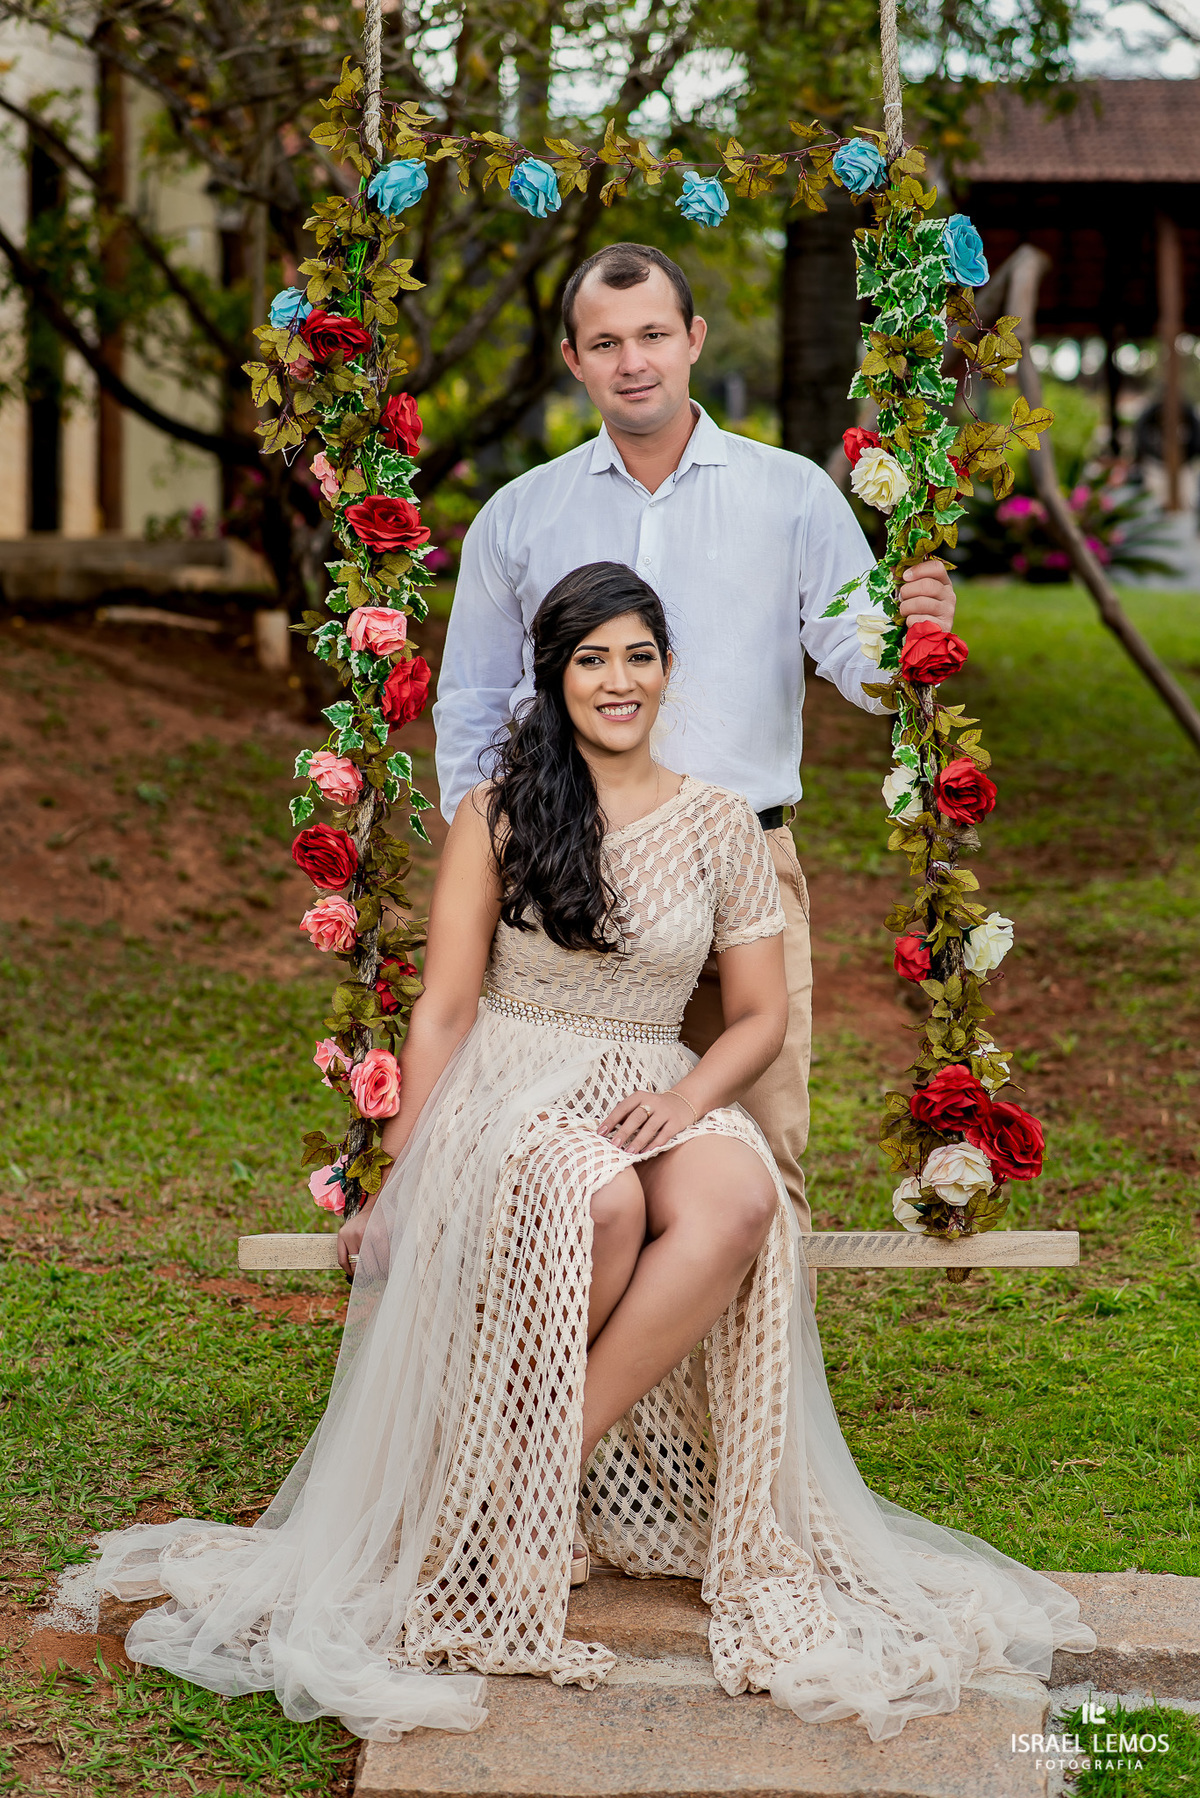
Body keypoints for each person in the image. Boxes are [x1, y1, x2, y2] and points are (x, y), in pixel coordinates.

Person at [93, 563, 1092, 1746]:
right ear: (556, 679)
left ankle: (521, 1475)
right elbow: (448, 1008)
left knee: (735, 1196)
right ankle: (505, 1498)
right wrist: (395, 1170)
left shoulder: (721, 821)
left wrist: (689, 1097)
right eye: (590, 660)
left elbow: (760, 1016)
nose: (617, 681)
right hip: (515, 1079)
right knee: (604, 1203)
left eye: (637, 656)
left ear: (668, 669)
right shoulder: (502, 810)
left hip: (648, 1074)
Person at [433, 241, 960, 1243]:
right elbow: (471, 704)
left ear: (693, 340)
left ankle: (753, 1401)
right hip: (560, 859)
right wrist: (491, 861)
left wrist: (910, 632)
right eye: (606, 341)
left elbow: (861, 662)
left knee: (760, 1151)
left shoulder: (791, 493)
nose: (633, 361)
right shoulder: (522, 513)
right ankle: (602, 1389)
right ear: (573, 358)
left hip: (741, 865)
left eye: (653, 336)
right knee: (574, 1159)